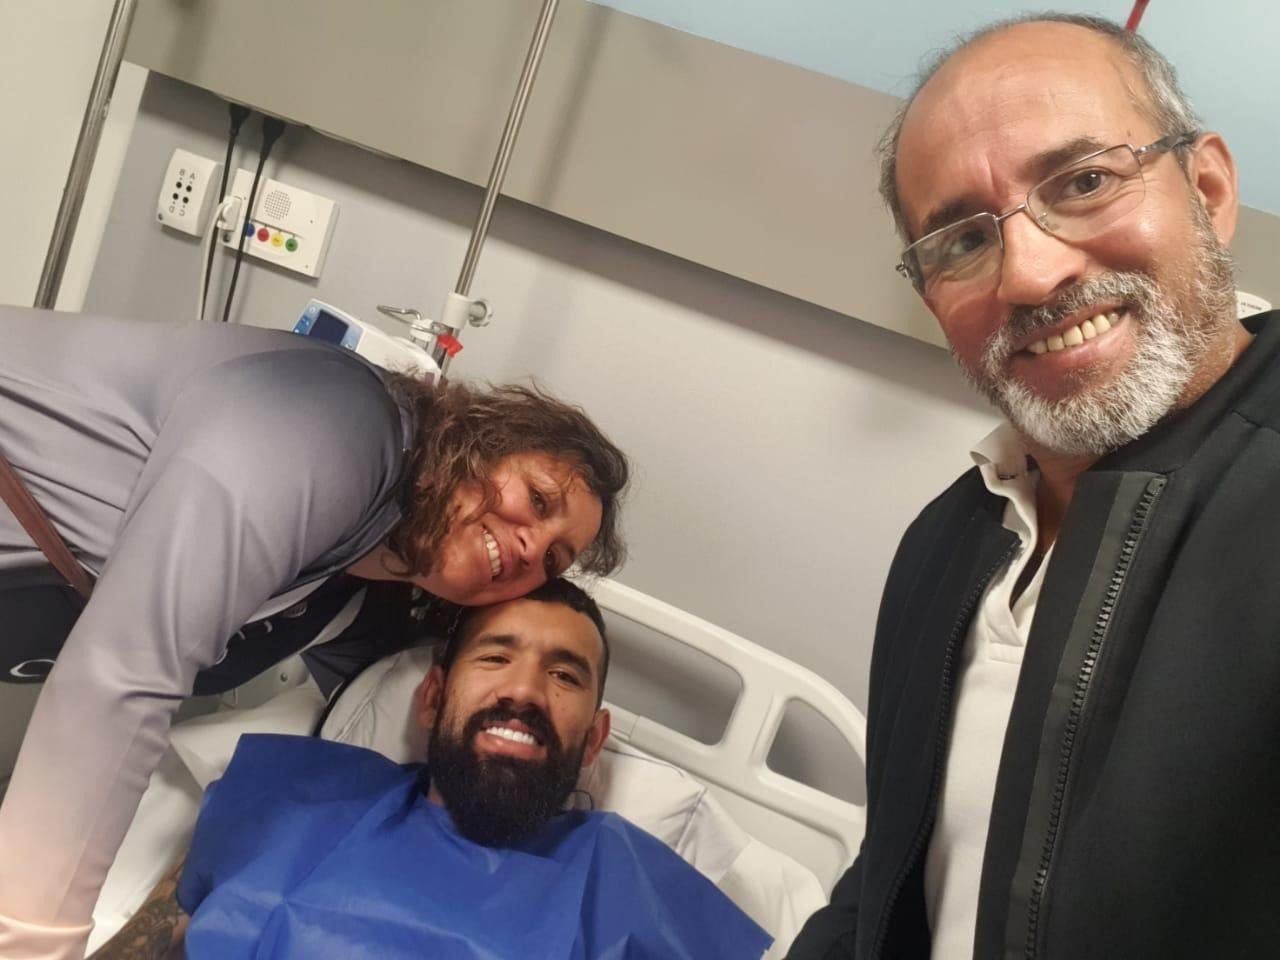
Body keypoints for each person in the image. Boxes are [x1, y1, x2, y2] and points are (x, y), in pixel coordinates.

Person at [789, 13, 1279, 960]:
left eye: (1085, 181)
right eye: (964, 241)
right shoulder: (946, 546)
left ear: (1209, 190)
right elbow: (891, 882)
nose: (1029, 272)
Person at [0, 306, 629, 959]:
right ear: (482, 440)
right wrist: (33, 946)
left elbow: (384, 729)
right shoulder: (332, 428)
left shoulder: (359, 599)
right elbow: (127, 672)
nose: (532, 548)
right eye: (538, 499)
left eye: (554, 559)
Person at [88, 578, 771, 959]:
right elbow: (153, 942)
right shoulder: (292, 793)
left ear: (594, 740)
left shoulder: (624, 883)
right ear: (434, 697)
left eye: (564, 676)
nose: (524, 691)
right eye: (496, 657)